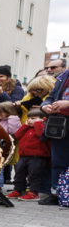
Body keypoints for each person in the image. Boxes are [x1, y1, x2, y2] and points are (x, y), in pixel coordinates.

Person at [41, 64, 69, 206]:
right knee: (58, 161)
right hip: (60, 124)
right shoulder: (62, 77)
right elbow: (50, 97)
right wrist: (45, 106)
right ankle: (59, 193)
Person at [8, 109, 50, 201]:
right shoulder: (27, 128)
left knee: (34, 175)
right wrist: (25, 125)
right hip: (23, 156)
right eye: (29, 118)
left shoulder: (43, 127)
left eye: (33, 118)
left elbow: (41, 134)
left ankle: (33, 193)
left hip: (37, 157)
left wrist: (38, 124)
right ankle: (17, 190)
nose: (30, 120)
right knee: (19, 174)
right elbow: (18, 135)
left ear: (43, 119)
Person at [0, 102, 21, 190]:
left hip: (5, 146)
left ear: (8, 112)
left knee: (0, 165)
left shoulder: (13, 120)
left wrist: (12, 118)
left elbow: (14, 131)